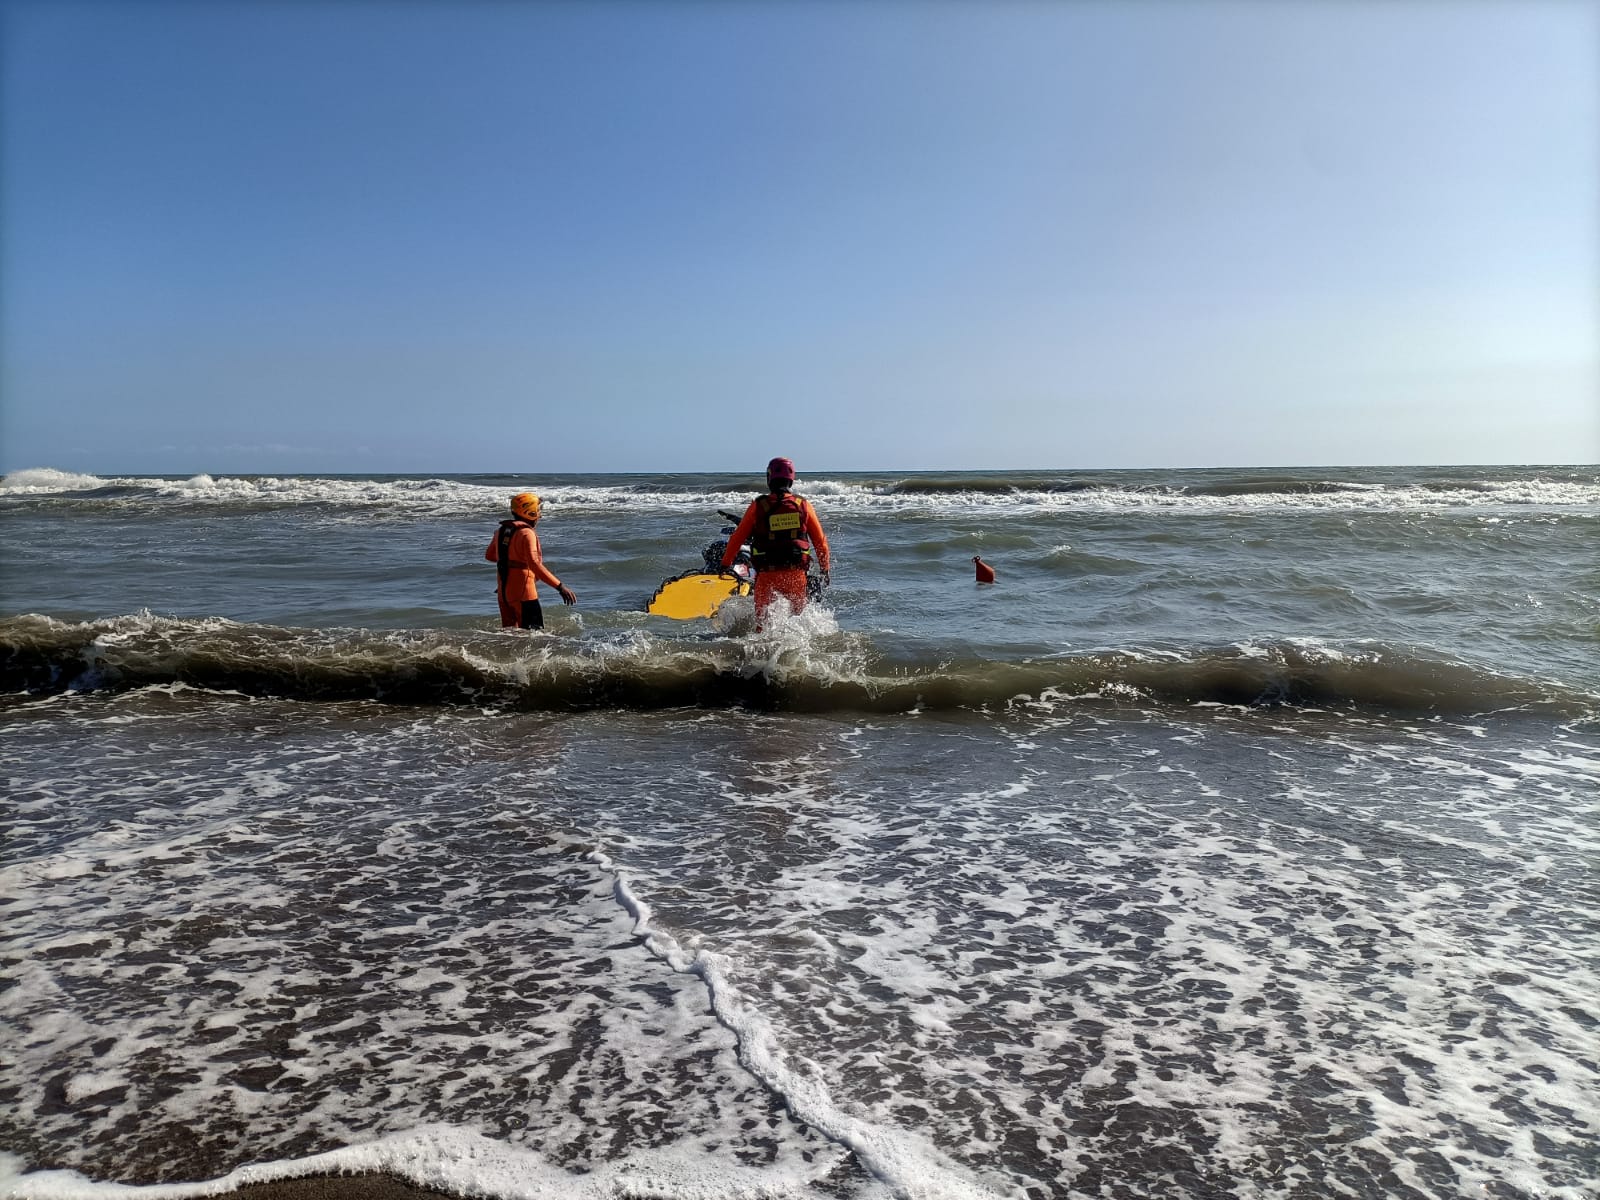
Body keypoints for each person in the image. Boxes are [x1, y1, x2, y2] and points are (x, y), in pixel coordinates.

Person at [721, 457, 831, 624]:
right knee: (799, 622)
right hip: (795, 575)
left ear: (769, 478)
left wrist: (725, 564)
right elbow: (820, 542)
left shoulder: (758, 506)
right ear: (791, 479)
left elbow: (737, 538)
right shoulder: (803, 505)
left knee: (762, 624)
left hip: (766, 575)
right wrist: (825, 568)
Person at [485, 492, 576, 629]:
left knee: (509, 635)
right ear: (530, 512)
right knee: (534, 636)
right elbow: (534, 564)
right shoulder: (527, 533)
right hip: (524, 593)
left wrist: (511, 568)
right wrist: (560, 587)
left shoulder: (501, 531)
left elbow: (490, 555)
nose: (540, 514)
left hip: (504, 592)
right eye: (538, 510)